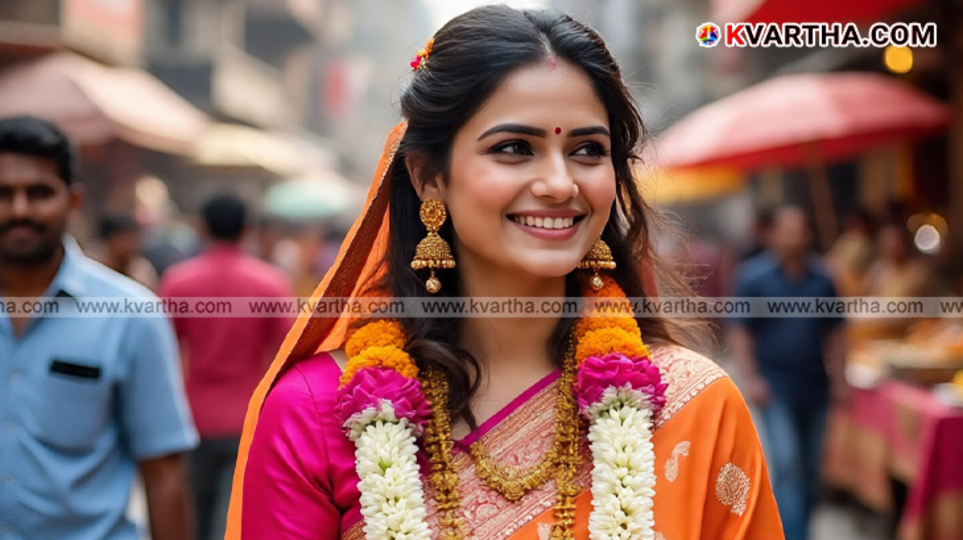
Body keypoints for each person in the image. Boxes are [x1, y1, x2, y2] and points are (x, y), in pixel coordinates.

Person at [228, 7, 782, 540]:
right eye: (515, 148)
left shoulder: (695, 404)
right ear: (428, 178)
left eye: (588, 150)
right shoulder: (317, 414)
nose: (560, 184)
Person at [0, 115, 197, 540]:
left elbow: (163, 475)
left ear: (73, 200)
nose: (20, 210)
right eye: (4, 194)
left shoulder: (132, 316)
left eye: (39, 193)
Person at [160, 194, 293, 540]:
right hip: (249, 417)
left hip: (191, 417)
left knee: (194, 515)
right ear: (247, 229)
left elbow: (162, 352)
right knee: (235, 517)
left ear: (202, 227)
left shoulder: (178, 281)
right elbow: (289, 353)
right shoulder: (270, 283)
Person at [730, 206, 847, 540]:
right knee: (787, 463)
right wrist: (751, 378)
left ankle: (801, 530)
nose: (793, 237)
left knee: (811, 470)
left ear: (808, 235)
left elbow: (836, 332)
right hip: (775, 385)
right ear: (773, 235)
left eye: (799, 230)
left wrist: (840, 379)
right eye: (787, 230)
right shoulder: (753, 277)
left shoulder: (823, 278)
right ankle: (789, 534)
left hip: (815, 385)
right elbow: (740, 331)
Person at [87, 214, 160, 290]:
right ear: (111, 240)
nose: (131, 246)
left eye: (134, 240)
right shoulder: (92, 266)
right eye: (125, 241)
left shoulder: (141, 272)